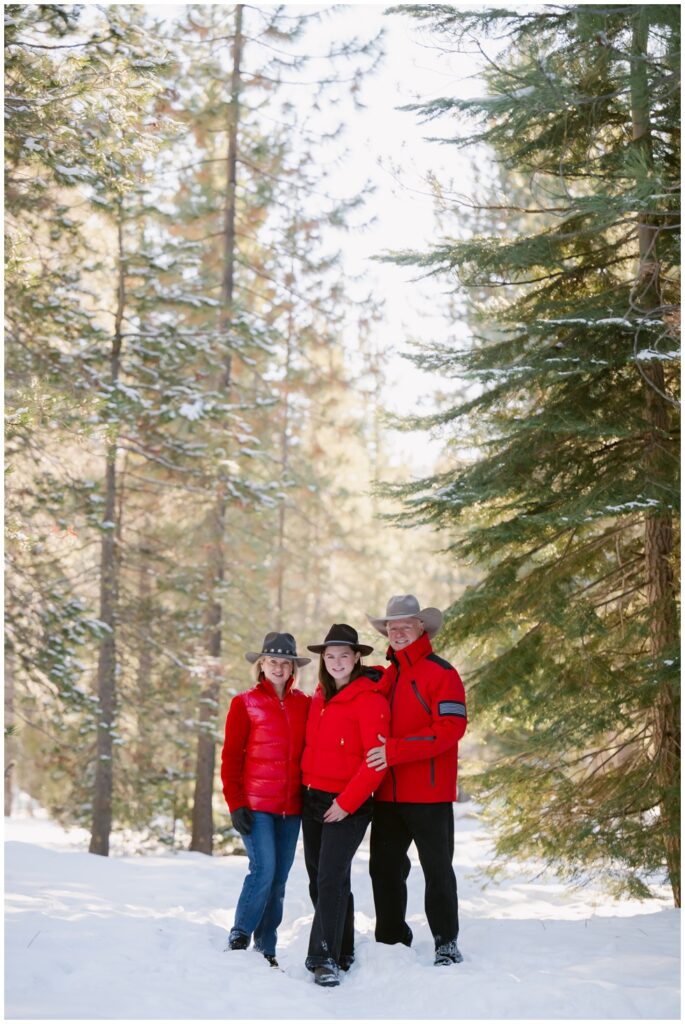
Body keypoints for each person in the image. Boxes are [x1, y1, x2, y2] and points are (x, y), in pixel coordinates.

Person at [365, 594, 468, 966]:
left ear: (421, 627)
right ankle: (391, 940)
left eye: (405, 626)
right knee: (385, 869)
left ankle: (446, 941)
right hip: (388, 794)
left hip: (429, 793)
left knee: (437, 869)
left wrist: (395, 750)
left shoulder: (442, 673)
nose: (398, 632)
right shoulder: (384, 676)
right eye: (392, 627)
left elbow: (451, 728)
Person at [300, 623, 389, 988]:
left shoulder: (370, 699)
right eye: (330, 656)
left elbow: (376, 761)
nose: (337, 662)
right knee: (321, 881)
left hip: (348, 801)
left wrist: (348, 802)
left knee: (330, 878)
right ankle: (344, 948)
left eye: (344, 655)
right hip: (312, 797)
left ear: (356, 658)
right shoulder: (320, 697)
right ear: (324, 660)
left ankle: (324, 959)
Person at [220, 631, 311, 968]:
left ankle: (267, 945)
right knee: (264, 869)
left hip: (292, 808)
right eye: (272, 661)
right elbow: (230, 758)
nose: (278, 667)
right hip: (256, 807)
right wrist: (236, 804)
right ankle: (240, 933)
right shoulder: (244, 703)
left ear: (292, 668)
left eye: (284, 662)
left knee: (280, 877)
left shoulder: (305, 703)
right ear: (261, 664)